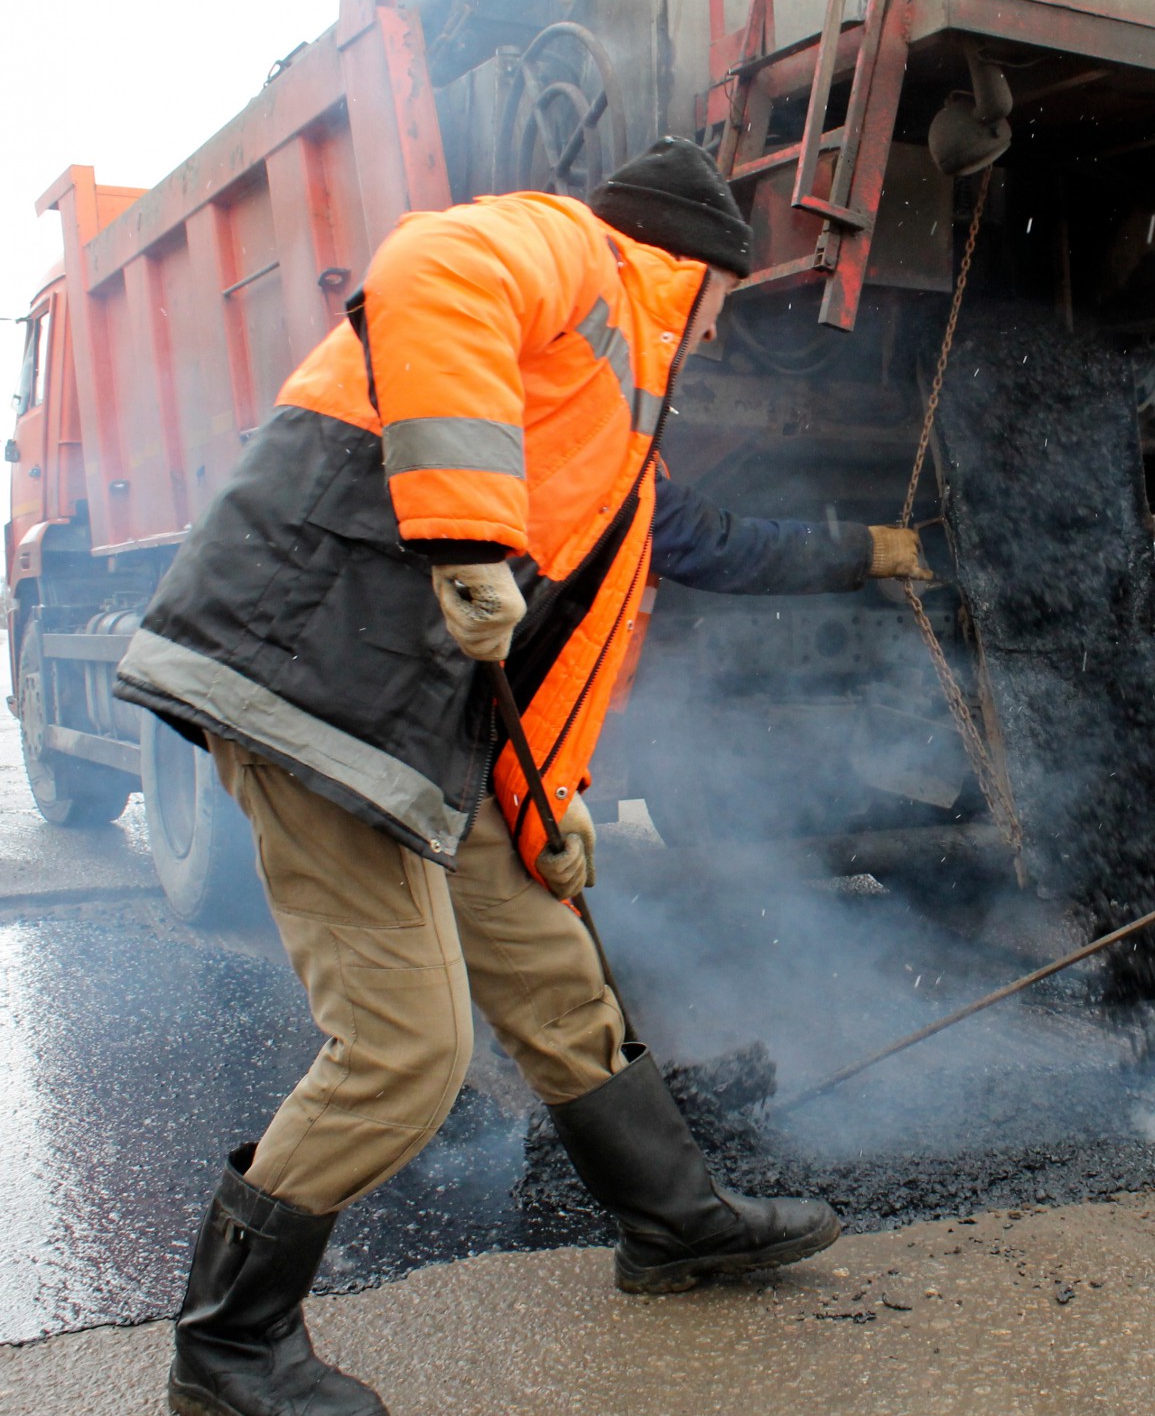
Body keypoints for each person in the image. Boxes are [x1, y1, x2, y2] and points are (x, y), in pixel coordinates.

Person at [115, 137, 930, 1416]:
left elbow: (682, 554)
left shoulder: (610, 430)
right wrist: (462, 526)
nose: (719, 331)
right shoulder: (578, 256)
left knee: (553, 965)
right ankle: (226, 1346)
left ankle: (673, 1223)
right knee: (404, 1052)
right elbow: (431, 263)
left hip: (413, 721)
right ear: (695, 270)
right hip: (314, 687)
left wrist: (861, 554)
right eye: (722, 301)